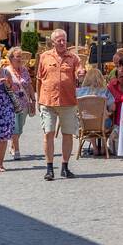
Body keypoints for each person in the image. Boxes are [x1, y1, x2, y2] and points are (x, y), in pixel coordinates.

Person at [36, 28, 86, 180]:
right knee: (48, 134)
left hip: (68, 101)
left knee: (67, 134)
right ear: (53, 42)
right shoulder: (44, 57)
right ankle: (49, 168)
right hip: (48, 101)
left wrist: (81, 73)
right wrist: (38, 100)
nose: (63, 42)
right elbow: (39, 79)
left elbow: (79, 71)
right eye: (59, 40)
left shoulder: (73, 57)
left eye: (64, 39)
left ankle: (65, 166)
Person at [5, 46, 35, 162]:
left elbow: (29, 85)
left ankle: (12, 143)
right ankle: (17, 150)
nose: (20, 59)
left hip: (24, 102)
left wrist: (33, 100)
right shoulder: (6, 71)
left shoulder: (24, 70)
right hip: (12, 102)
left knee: (20, 127)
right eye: (18, 56)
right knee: (15, 127)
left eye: (21, 57)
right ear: (11, 58)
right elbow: (5, 87)